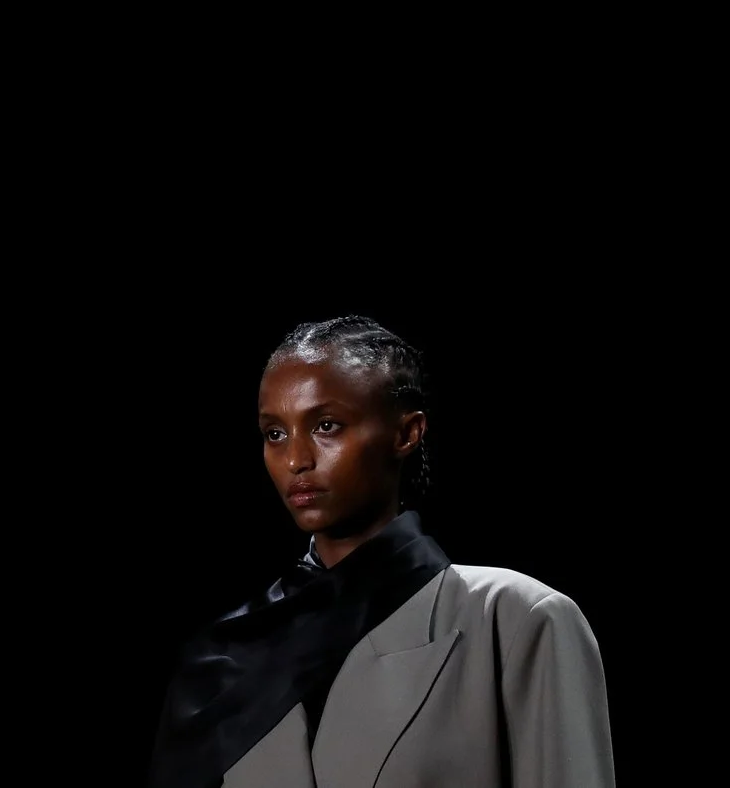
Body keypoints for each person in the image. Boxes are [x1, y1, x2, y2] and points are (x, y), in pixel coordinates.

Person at [148, 316, 616, 788]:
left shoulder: (514, 619)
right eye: (275, 433)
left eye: (326, 426)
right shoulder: (225, 660)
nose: (295, 460)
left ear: (407, 433)